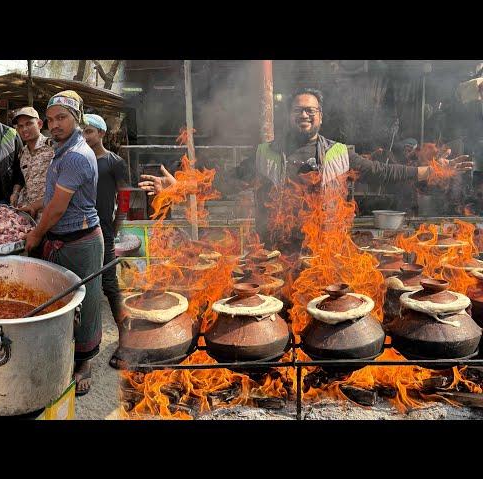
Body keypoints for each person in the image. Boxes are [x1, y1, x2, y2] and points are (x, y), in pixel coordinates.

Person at [140, 88, 472, 246]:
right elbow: (225, 182)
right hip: (276, 246)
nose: (304, 114)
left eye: (311, 110)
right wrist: (181, 188)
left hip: (326, 245)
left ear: (321, 117)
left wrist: (432, 171)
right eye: (299, 110)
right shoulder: (265, 153)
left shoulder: (340, 152)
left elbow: (385, 171)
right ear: (290, 116)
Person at [23, 91, 104, 397]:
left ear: (77, 119)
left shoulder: (74, 155)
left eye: (62, 118)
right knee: (58, 302)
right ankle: (61, 354)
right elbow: (52, 199)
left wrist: (35, 234)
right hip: (60, 237)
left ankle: (84, 364)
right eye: (51, 119)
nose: (54, 125)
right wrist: (34, 206)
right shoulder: (61, 148)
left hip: (79, 242)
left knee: (86, 302)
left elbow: (57, 209)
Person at [82, 113, 128, 369]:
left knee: (110, 285)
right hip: (82, 231)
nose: (86, 136)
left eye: (90, 131)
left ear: (101, 134)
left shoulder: (114, 162)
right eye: (83, 132)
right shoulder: (78, 160)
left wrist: (117, 223)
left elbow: (124, 196)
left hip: (104, 230)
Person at [11, 106, 53, 220]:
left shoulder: (52, 147)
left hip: (51, 212)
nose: (24, 129)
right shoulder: (22, 153)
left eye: (29, 124)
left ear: (39, 124)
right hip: (30, 214)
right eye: (20, 126)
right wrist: (16, 193)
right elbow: (22, 177)